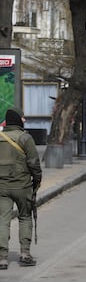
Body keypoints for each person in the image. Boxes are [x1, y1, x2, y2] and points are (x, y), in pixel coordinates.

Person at [0, 107, 42, 269]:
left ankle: (2, 257)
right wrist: (37, 180)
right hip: (22, 186)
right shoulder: (25, 138)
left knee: (3, 219)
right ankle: (25, 254)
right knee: (25, 217)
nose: (24, 120)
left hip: (2, 186)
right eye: (22, 118)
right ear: (17, 119)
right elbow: (33, 163)